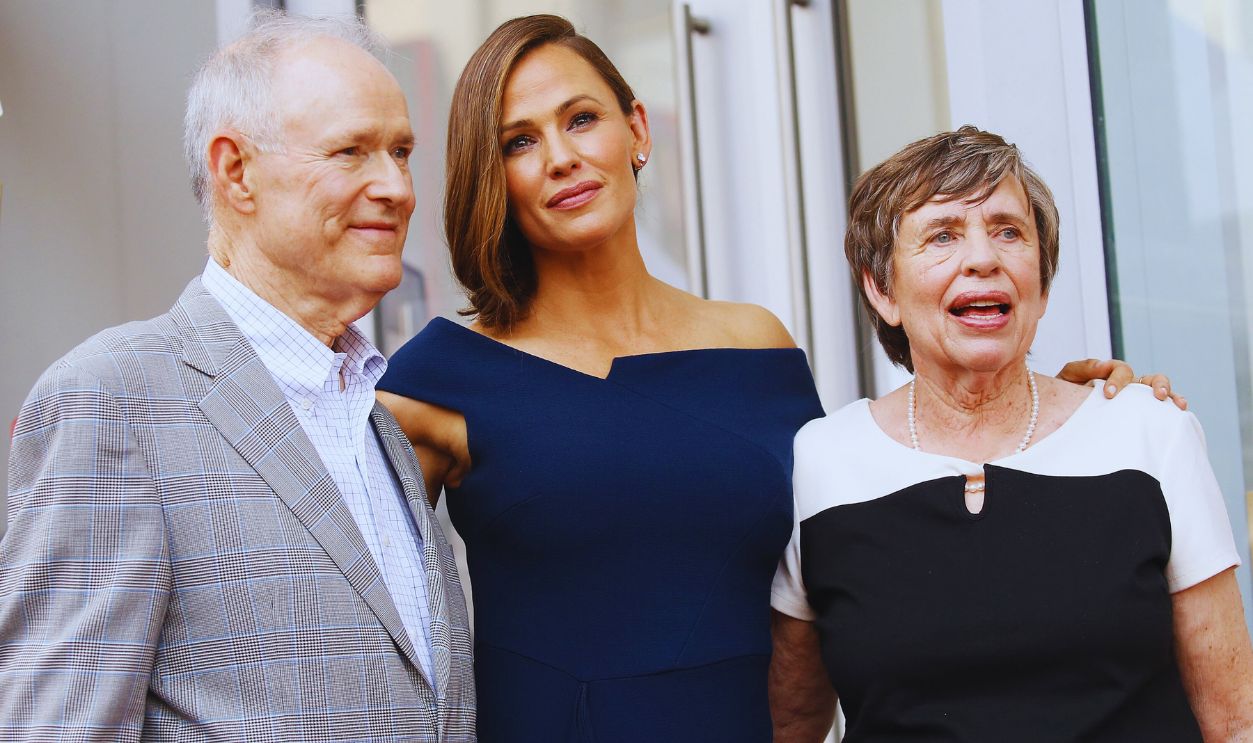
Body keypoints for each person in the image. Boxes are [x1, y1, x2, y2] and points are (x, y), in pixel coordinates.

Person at [375, 17, 1162, 742]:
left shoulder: (754, 343)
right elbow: (339, 596)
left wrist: (1051, 412)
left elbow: (874, 515)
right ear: (493, 175)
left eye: (580, 118)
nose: (560, 157)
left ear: (636, 130)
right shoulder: (443, 376)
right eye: (518, 141)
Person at [0, 12, 474, 741]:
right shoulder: (112, 398)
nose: (397, 187)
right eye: (350, 151)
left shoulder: (372, 411)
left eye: (401, 151)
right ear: (236, 171)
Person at [769, 126, 1253, 741]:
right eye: (942, 235)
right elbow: (794, 725)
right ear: (881, 288)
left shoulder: (1149, 433)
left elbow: (1236, 719)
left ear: (1042, 283)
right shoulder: (820, 462)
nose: (983, 258)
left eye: (1008, 231)